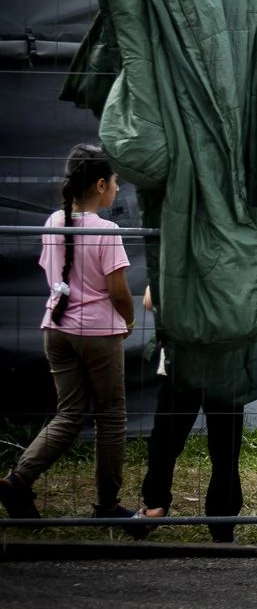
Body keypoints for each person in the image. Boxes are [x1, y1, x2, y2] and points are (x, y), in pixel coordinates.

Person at [0, 144, 136, 525]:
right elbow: (118, 292)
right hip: (99, 334)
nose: (116, 189)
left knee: (69, 413)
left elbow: (52, 273)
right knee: (111, 418)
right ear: (100, 185)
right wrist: (128, 320)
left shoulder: (52, 221)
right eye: (114, 182)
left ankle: (18, 480)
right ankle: (107, 506)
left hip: (57, 329)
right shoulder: (107, 231)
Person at [135, 285, 246, 542]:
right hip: (221, 360)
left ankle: (156, 506)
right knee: (224, 448)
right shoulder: (235, 265)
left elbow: (149, 300)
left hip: (186, 359)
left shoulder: (177, 263)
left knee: (166, 440)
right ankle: (222, 525)